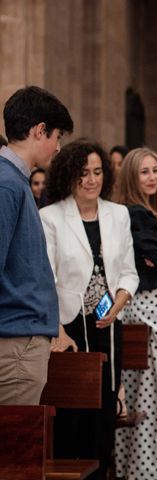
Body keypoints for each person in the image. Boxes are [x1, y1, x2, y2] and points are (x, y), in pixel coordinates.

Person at [40, 140, 138, 479]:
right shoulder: (50, 217)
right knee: (70, 412)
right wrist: (57, 330)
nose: (91, 180)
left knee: (103, 408)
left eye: (97, 172)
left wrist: (119, 304)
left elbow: (128, 271)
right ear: (69, 175)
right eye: (83, 173)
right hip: (68, 326)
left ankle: (101, 472)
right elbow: (46, 279)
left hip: (107, 323)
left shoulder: (118, 214)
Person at [0, 85, 73, 405]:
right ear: (39, 130)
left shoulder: (13, 180)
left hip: (22, 338)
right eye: (57, 136)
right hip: (15, 343)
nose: (58, 147)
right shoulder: (6, 184)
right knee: (13, 454)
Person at [115, 147, 157, 480]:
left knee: (146, 387)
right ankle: (147, 471)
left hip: (149, 302)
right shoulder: (137, 213)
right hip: (149, 304)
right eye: (145, 172)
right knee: (152, 388)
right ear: (131, 176)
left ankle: (139, 467)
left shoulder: (137, 211)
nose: (153, 177)